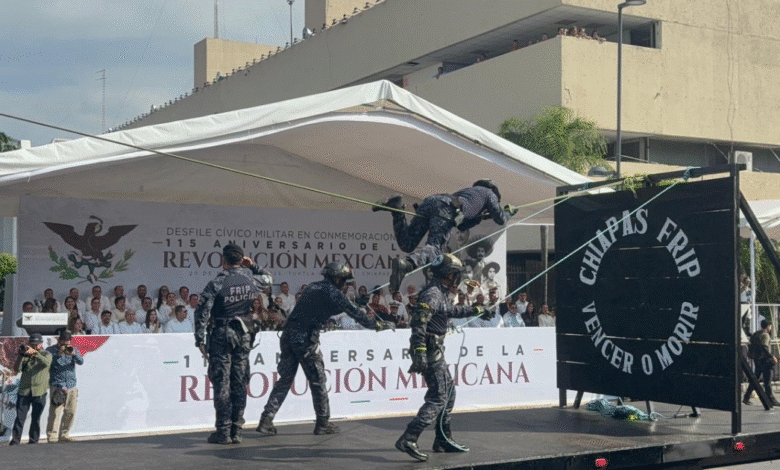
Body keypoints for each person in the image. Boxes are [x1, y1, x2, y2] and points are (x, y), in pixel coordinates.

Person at [256, 262, 394, 437]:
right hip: (305, 338)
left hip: (288, 335)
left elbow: (330, 306)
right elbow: (356, 315)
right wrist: (380, 325)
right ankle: (322, 423)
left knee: (284, 380)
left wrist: (354, 301)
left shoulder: (313, 287)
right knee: (318, 381)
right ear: (336, 278)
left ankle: (266, 419)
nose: (344, 284)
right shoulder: (333, 292)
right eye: (343, 280)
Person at [396, 254, 491, 461]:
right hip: (430, 349)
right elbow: (419, 322)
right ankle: (409, 437)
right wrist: (419, 351)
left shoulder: (438, 292)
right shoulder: (433, 294)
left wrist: (476, 310)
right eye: (455, 275)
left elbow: (450, 310)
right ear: (448, 275)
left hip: (433, 348)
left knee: (448, 392)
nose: (457, 279)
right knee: (439, 396)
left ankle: (442, 439)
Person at [374, 179, 517, 292]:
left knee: (408, 243)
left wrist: (478, 218)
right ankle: (408, 263)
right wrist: (508, 212)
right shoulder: (489, 193)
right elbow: (500, 219)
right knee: (435, 249)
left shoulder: (468, 192)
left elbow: (461, 225)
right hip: (446, 209)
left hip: (432, 202)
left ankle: (397, 211)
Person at [194, 243, 273, 445]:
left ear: (223, 260)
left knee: (222, 383)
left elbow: (202, 312)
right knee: (239, 382)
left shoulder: (218, 282)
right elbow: (268, 278)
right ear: (241, 259)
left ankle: (223, 431)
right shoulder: (251, 279)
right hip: (244, 334)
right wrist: (252, 265)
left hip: (222, 334)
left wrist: (199, 339)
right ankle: (237, 430)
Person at [10, 333, 52, 445]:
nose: (34, 346)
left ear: (41, 344)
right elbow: (17, 369)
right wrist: (20, 356)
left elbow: (46, 363)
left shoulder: (46, 354)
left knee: (35, 419)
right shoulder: (26, 356)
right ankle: (15, 441)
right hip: (24, 392)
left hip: (39, 392)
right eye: (32, 344)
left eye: (36, 344)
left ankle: (33, 441)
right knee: (20, 418)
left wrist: (35, 353)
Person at [46, 330, 83, 443]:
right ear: (59, 340)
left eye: (67, 342)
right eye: (63, 342)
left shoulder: (73, 349)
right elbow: (48, 365)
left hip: (71, 385)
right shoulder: (51, 350)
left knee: (71, 412)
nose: (65, 344)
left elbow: (81, 361)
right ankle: (52, 436)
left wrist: (74, 354)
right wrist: (59, 355)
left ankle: (64, 434)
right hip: (58, 385)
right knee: (55, 413)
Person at [744, 319, 780, 406]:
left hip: (757, 360)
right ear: (768, 326)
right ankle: (771, 399)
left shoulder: (756, 333)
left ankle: (746, 397)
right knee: (767, 381)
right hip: (765, 360)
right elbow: (765, 347)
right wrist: (772, 357)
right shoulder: (765, 335)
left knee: (754, 380)